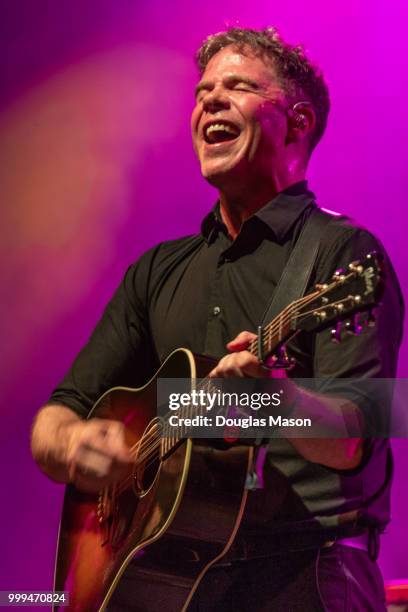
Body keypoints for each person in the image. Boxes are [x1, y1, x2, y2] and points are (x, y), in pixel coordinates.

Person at [31, 27, 404, 611]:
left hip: (302, 575)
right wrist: (76, 443)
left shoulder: (344, 257)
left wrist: (272, 399)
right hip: (163, 576)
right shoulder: (157, 269)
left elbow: (357, 438)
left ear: (298, 123)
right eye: (203, 90)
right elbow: (53, 419)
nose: (210, 100)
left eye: (237, 87)